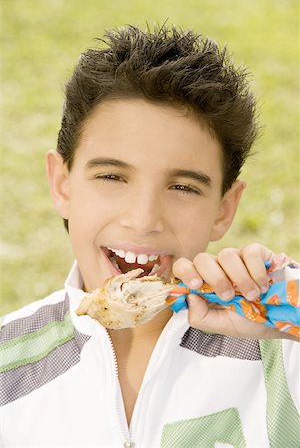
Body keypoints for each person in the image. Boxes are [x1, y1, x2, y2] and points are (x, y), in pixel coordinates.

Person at [0, 25, 299, 447]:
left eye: (182, 187)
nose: (143, 220)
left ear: (224, 208)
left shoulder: (282, 352)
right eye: (111, 176)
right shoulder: (7, 373)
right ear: (62, 185)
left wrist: (292, 304)